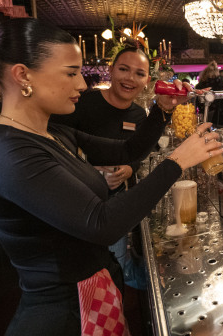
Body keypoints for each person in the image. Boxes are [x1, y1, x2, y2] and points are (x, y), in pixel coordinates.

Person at [0, 18, 223, 335]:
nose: (82, 84)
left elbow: (128, 151)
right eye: (70, 73)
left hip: (92, 296)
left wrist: (162, 110)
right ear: (22, 75)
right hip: (63, 315)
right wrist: (177, 161)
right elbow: (101, 223)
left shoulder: (53, 133)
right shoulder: (8, 154)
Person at [50, 44, 151, 291]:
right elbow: (55, 143)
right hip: (76, 205)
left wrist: (129, 169)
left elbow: (138, 153)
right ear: (111, 71)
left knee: (111, 268)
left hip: (113, 203)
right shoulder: (83, 103)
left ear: (147, 80)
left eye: (139, 73)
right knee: (79, 274)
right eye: (124, 69)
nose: (130, 78)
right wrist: (90, 172)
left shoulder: (139, 115)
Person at [195, 61, 223, 128]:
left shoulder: (200, 86)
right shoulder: (221, 85)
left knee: (204, 130)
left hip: (205, 114)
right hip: (221, 116)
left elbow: (197, 102)